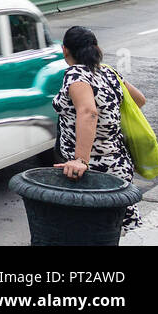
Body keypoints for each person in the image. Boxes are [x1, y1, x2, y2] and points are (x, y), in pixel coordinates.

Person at [53, 25, 147, 232]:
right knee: (119, 227)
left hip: (93, 172)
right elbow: (139, 100)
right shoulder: (107, 72)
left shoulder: (76, 75)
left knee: (91, 231)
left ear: (64, 50)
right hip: (119, 163)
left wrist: (80, 160)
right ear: (95, 48)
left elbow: (88, 112)